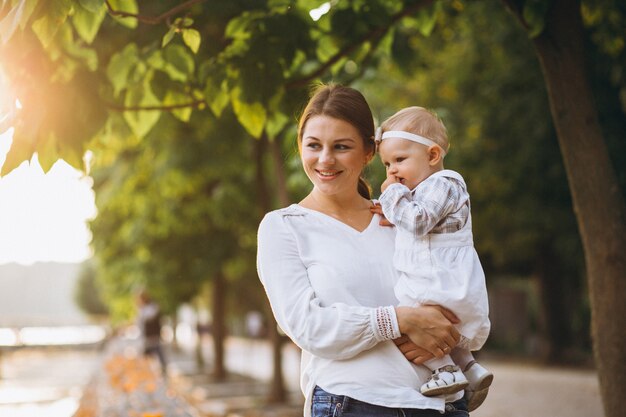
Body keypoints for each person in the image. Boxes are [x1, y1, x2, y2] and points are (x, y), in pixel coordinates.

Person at [257, 84, 470, 417]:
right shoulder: (284, 227)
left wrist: (441, 333)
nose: (325, 159)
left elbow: (459, 288)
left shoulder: (405, 218)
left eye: (341, 146)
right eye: (314, 145)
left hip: (439, 404)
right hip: (352, 403)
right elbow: (310, 327)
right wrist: (400, 321)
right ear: (300, 147)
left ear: (369, 151)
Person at [374, 106, 493, 410]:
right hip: (445, 279)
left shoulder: (445, 183)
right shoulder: (423, 190)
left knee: (413, 313)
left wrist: (390, 197)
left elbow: (417, 222)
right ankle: (471, 368)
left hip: (441, 280)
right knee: (430, 320)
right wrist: (390, 212)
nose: (391, 171)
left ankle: (445, 371)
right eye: (387, 163)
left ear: (432, 155)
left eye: (400, 160)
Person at [137, 291, 167, 376]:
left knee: (156, 354)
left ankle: (161, 372)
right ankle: (149, 373)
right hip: (147, 337)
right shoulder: (143, 309)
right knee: (149, 355)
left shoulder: (151, 308)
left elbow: (148, 319)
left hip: (153, 336)